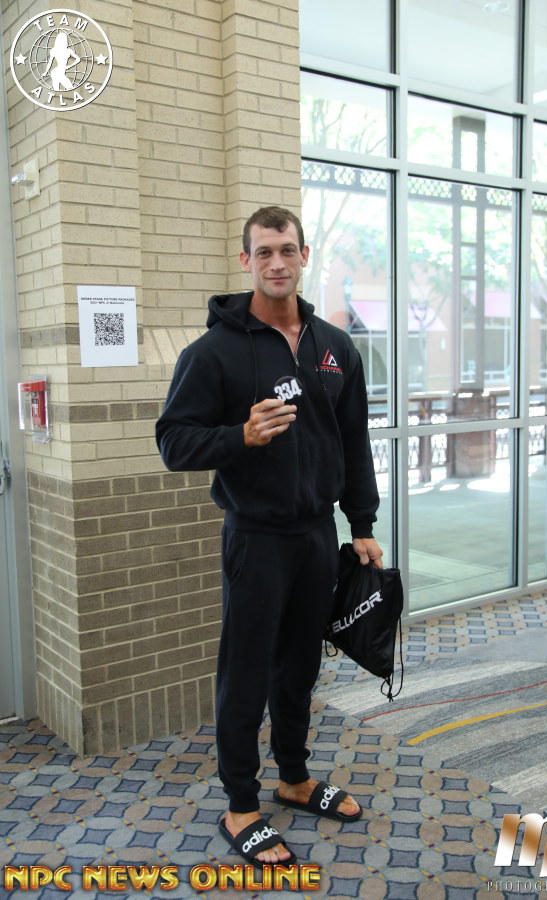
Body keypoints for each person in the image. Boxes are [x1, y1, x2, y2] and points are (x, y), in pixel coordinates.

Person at [156, 206, 383, 867]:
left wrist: (361, 525)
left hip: (315, 535)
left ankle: (294, 777)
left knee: (300, 667)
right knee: (246, 674)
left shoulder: (334, 347)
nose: (277, 262)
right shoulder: (213, 353)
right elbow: (173, 442)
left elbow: (353, 440)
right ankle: (240, 804)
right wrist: (240, 436)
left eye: (287, 250)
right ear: (246, 261)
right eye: (264, 252)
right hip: (255, 538)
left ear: (304, 255)